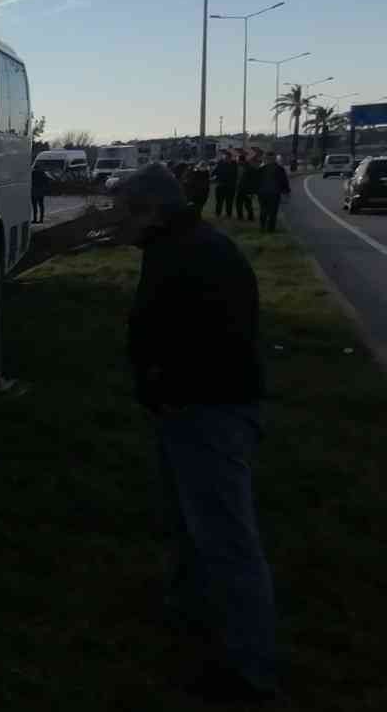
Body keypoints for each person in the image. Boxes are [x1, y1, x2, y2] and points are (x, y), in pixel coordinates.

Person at [114, 165, 277, 703]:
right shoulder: (181, 245)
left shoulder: (192, 254)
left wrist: (170, 386)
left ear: (151, 211)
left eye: (123, 213)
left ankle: (246, 672)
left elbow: (214, 342)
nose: (117, 224)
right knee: (190, 522)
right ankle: (191, 614)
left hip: (209, 413)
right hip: (189, 409)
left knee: (226, 539)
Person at [256, 153, 292, 233]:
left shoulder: (262, 169)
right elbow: (284, 182)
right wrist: (286, 191)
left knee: (263, 210)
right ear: (275, 159)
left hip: (263, 193)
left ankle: (262, 227)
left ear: (266, 159)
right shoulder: (279, 169)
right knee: (273, 212)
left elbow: (256, 181)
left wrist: (255, 191)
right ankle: (270, 229)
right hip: (274, 194)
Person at [211, 150, 238, 218]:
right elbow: (214, 173)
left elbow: (236, 175)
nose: (226, 159)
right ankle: (218, 213)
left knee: (229, 202)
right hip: (221, 186)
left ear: (230, 158)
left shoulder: (234, 165)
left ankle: (228, 214)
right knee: (219, 201)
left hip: (230, 186)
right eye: (225, 157)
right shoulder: (220, 164)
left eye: (227, 157)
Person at [234, 150, 258, 222]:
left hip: (247, 190)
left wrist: (252, 191)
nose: (237, 161)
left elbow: (253, 181)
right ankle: (240, 216)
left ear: (242, 161)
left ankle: (250, 217)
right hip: (240, 189)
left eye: (238, 160)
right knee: (239, 204)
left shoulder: (250, 169)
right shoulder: (238, 167)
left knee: (247, 204)